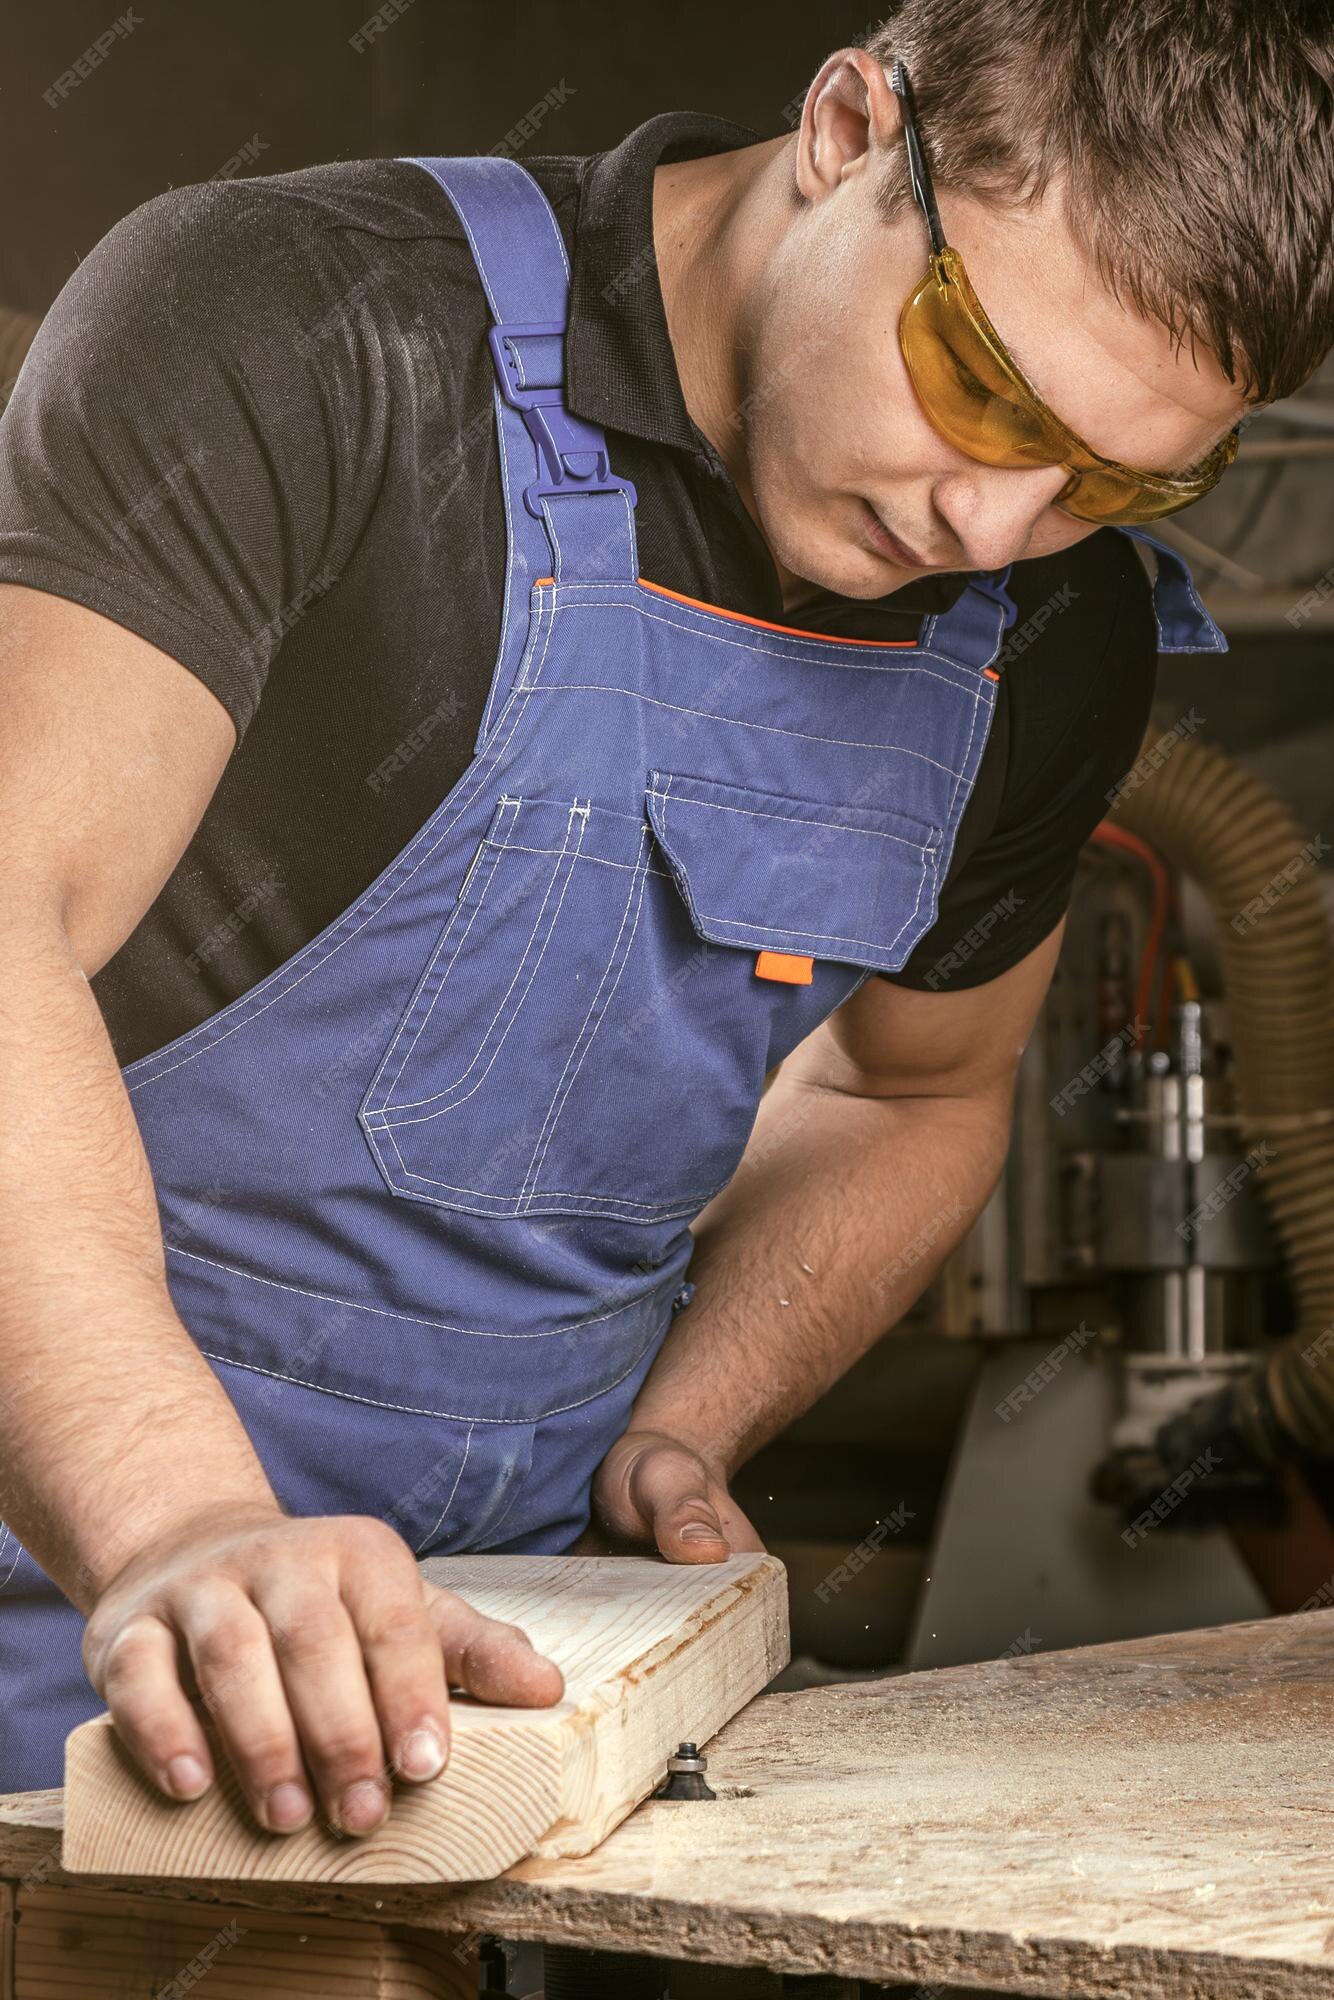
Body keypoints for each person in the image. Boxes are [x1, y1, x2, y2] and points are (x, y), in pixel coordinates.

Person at [0, 0, 1327, 1833]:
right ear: (849, 129)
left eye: (1109, 479)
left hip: (518, 1658)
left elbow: (910, 1095)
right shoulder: (300, 321)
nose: (994, 520)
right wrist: (181, 1524)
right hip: (63, 1557)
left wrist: (680, 1431)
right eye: (982, 389)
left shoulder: (1046, 632)